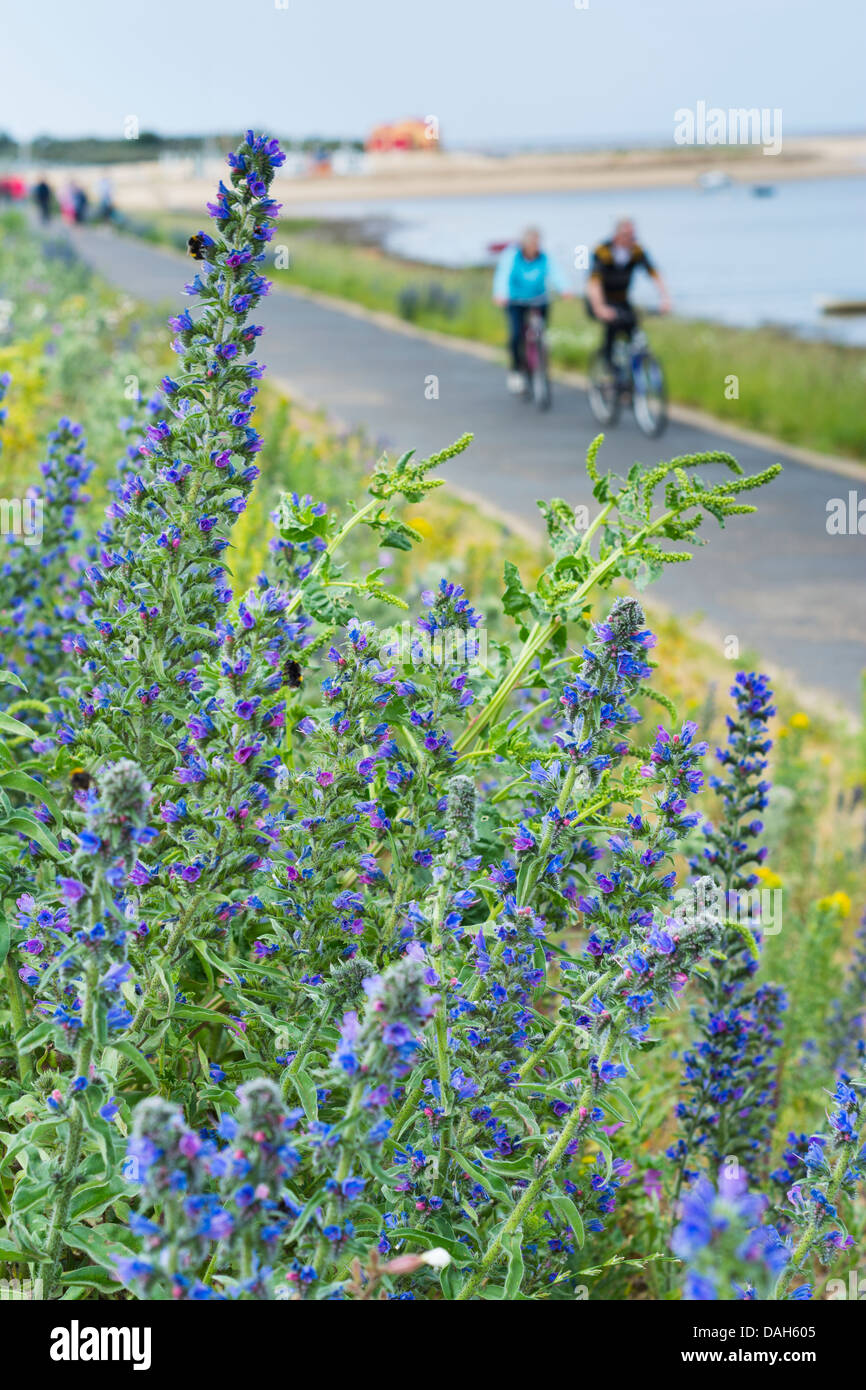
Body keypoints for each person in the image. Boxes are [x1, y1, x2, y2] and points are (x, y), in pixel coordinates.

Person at [493, 227, 570, 393]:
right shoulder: (512, 256)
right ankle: (515, 370)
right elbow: (503, 275)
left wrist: (564, 289)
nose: (535, 246)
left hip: (539, 300)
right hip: (516, 301)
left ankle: (539, 357)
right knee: (516, 336)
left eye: (537, 243)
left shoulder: (544, 257)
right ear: (524, 244)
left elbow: (556, 273)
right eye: (532, 243)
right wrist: (500, 294)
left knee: (541, 333)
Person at [585, 218, 671, 366]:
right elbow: (594, 283)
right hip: (603, 299)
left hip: (622, 298)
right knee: (613, 326)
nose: (630, 239)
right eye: (627, 235)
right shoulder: (603, 252)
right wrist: (600, 307)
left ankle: (632, 374)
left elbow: (654, 273)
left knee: (634, 331)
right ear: (617, 236)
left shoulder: (636, 251)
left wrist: (665, 298)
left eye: (632, 235)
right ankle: (609, 369)